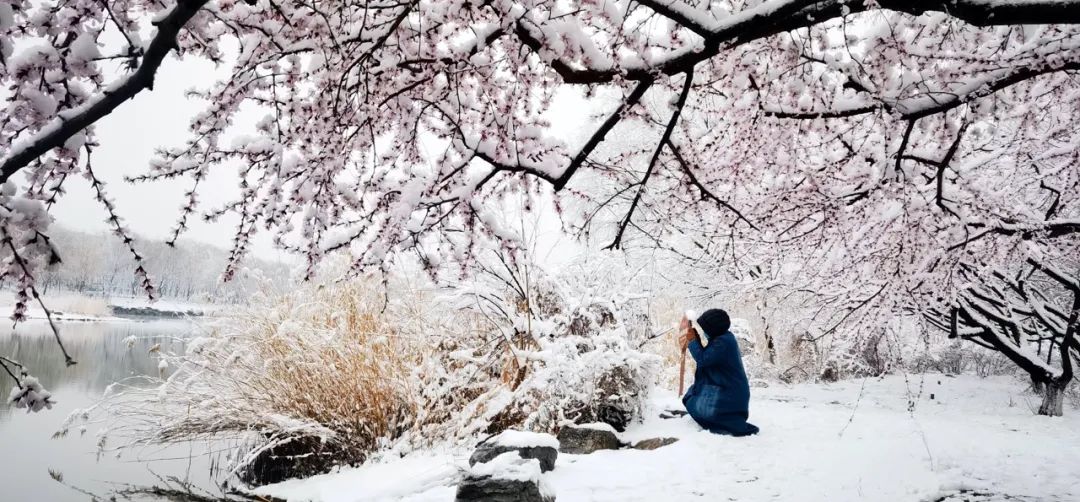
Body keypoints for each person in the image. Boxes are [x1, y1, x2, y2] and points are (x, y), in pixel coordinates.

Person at [678, 308, 760, 436]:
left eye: (705, 329)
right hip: (729, 389)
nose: (704, 331)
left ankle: (719, 421)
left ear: (713, 329)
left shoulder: (723, 342)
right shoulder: (724, 338)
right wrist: (696, 339)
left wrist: (693, 341)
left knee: (695, 403)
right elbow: (709, 355)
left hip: (728, 394)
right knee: (691, 397)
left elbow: (703, 359)